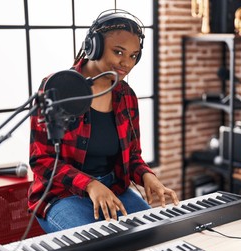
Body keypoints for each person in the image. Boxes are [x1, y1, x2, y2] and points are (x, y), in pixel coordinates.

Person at [28, 9, 179, 234]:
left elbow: (133, 155)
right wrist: (90, 184)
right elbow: (41, 159)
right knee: (102, 248)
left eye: (134, 56)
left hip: (113, 189)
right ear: (93, 46)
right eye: (118, 51)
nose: (127, 63)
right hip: (62, 194)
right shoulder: (57, 87)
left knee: (154, 235)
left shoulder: (126, 95)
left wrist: (148, 176)